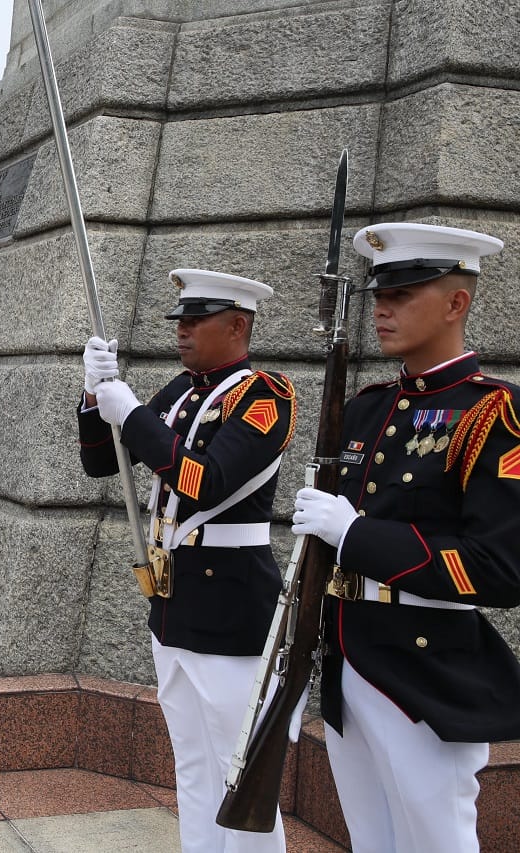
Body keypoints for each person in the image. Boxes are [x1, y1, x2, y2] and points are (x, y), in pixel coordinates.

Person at [290, 223, 520, 853]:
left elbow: (499, 569)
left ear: (456, 303)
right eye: (378, 294)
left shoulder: (491, 414)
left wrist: (358, 535)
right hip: (347, 659)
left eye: (405, 292)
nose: (382, 308)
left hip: (424, 670)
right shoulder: (365, 408)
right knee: (372, 841)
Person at [79, 270, 296, 853]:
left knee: (240, 772)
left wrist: (127, 412)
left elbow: (203, 479)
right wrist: (94, 397)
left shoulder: (265, 396)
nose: (183, 331)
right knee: (193, 766)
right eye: (180, 320)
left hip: (231, 607)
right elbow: (105, 465)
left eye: (196, 321)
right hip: (173, 604)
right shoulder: (179, 391)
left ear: (238, 325)